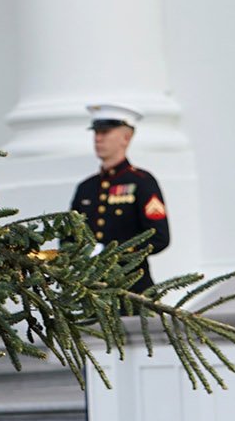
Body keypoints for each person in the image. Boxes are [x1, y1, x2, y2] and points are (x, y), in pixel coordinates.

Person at [69, 103, 170, 290]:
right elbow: (69, 236)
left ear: (126, 137)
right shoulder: (86, 187)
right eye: (96, 133)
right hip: (91, 289)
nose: (98, 139)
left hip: (132, 286)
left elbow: (159, 237)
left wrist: (112, 251)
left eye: (105, 132)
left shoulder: (142, 182)